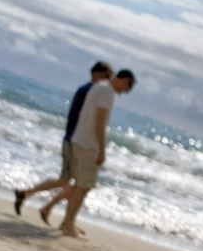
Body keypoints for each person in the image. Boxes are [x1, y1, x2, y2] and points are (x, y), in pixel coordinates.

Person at [13, 61, 112, 225]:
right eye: (106, 76)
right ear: (96, 75)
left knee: (72, 183)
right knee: (72, 183)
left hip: (73, 141)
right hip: (74, 143)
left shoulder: (88, 91)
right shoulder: (90, 92)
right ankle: (36, 201)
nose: (108, 81)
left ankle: (43, 205)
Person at [57, 68, 135, 238]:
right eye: (126, 88)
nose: (124, 92)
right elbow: (100, 121)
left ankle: (68, 222)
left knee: (80, 184)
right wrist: (101, 149)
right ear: (124, 80)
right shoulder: (107, 92)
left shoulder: (100, 87)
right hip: (87, 143)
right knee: (84, 186)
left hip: (80, 139)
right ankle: (68, 225)